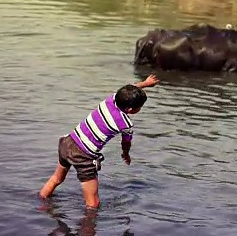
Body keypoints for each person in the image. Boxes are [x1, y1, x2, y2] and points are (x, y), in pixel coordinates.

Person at [39, 75, 160, 209]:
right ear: (131, 110)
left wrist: (145, 83)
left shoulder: (110, 100)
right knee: (93, 204)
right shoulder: (126, 124)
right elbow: (126, 143)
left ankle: (40, 206)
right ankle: (88, 228)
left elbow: (127, 91)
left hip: (68, 142)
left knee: (56, 179)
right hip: (83, 155)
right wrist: (126, 154)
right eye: (140, 107)